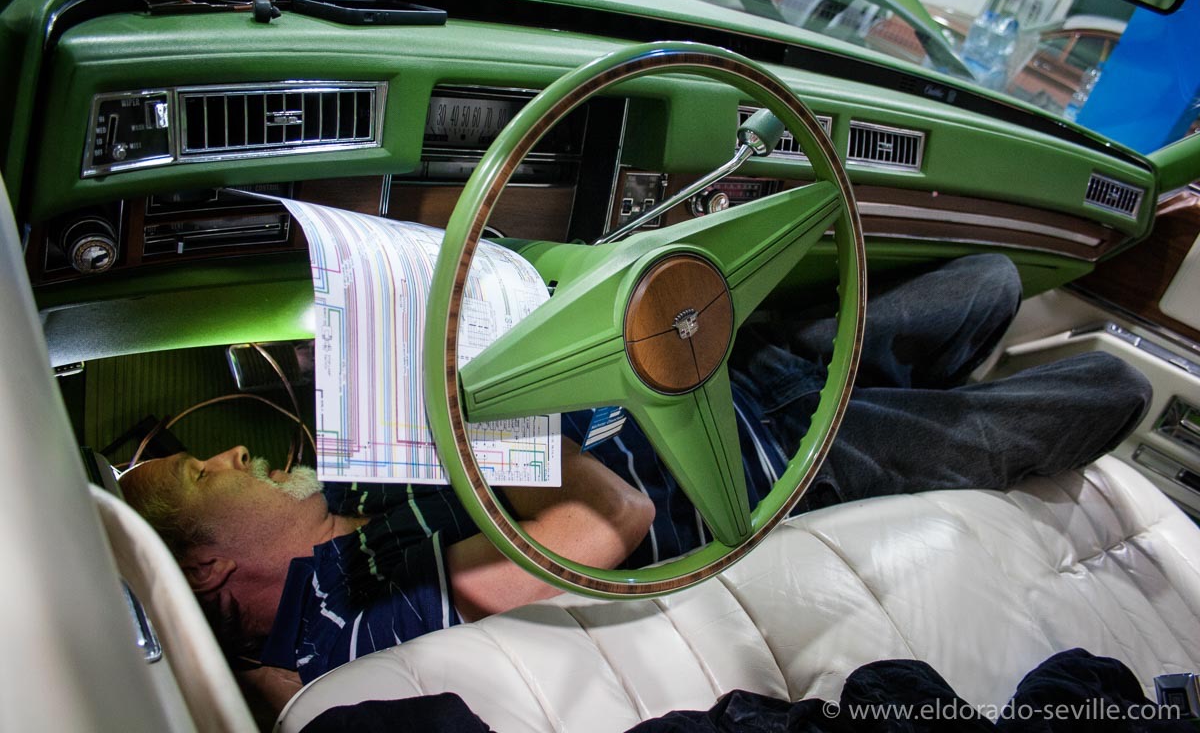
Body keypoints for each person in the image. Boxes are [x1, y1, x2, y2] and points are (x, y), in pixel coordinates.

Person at [118, 252, 1151, 710]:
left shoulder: (350, 499)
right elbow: (610, 517)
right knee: (1106, 387)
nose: (231, 450)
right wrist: (458, 410)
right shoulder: (345, 628)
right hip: (768, 465)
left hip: (719, 374)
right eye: (203, 472)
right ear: (210, 564)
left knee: (998, 278)